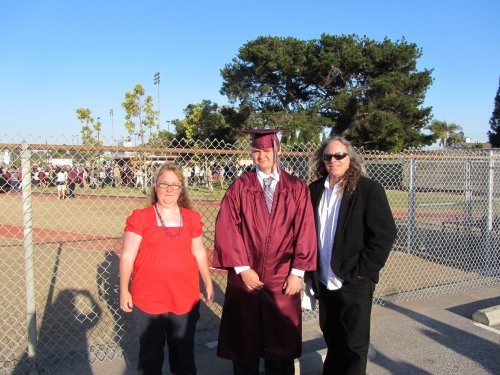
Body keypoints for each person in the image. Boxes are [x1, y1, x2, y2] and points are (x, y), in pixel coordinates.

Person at [213, 128, 317, 375]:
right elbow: (227, 227)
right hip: (246, 276)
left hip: (283, 276)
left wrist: (298, 273)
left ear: (278, 151)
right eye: (256, 151)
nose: (261, 156)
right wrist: (242, 268)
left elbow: (305, 230)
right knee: (245, 344)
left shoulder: (296, 188)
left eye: (267, 151)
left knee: (281, 346)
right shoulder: (240, 187)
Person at [308, 136, 397, 375]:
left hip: (353, 281)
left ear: (350, 158)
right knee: (334, 342)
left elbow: (384, 235)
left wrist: (362, 272)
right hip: (325, 282)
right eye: (328, 156)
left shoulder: (368, 190)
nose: (333, 160)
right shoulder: (315, 191)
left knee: (354, 347)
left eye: (339, 155)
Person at [119, 162, 213, 375]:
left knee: (183, 356)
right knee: (150, 358)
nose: (169, 190)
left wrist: (207, 281)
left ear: (181, 189)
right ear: (155, 186)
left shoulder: (191, 218)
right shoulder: (140, 217)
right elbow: (128, 255)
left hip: (184, 297)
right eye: (164, 184)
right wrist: (124, 289)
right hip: (148, 298)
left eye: (174, 185)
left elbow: (199, 252)